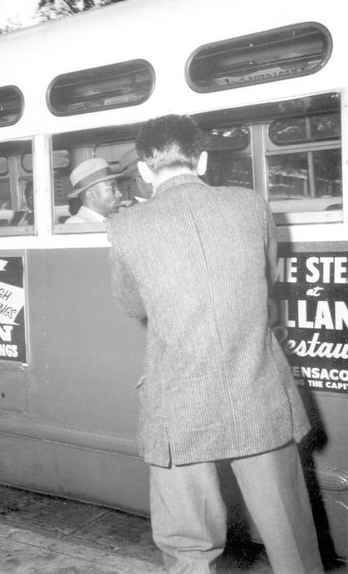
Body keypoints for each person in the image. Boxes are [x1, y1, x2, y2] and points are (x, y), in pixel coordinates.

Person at [107, 114, 323, 574]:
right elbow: (266, 276)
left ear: (144, 171)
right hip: (258, 392)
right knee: (291, 537)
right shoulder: (251, 205)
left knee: (188, 545)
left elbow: (131, 304)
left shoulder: (126, 227)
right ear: (202, 159)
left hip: (179, 403)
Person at [65, 157, 123, 223]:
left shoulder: (109, 220)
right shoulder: (77, 224)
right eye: (112, 188)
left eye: (117, 188)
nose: (120, 194)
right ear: (91, 194)